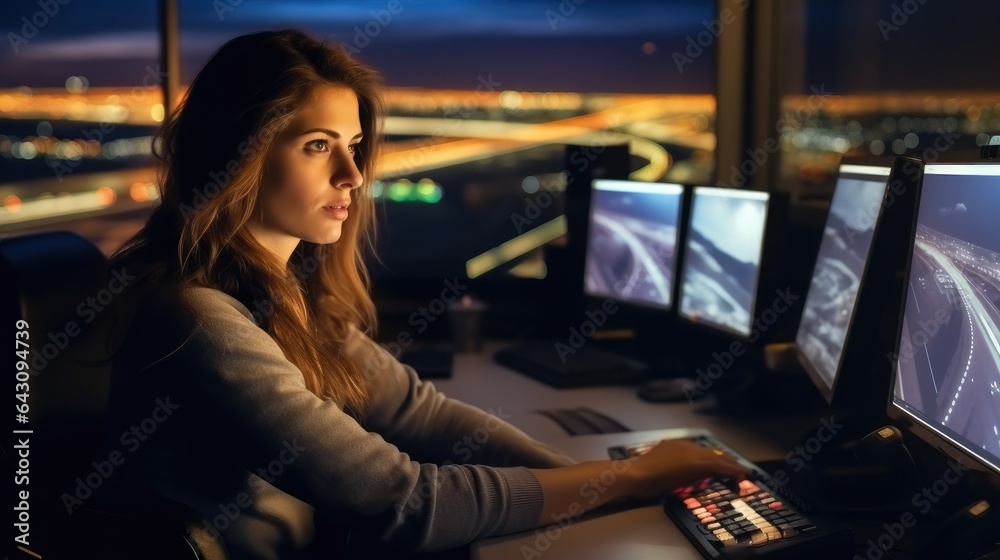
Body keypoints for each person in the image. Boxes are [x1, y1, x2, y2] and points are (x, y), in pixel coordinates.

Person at [99, 29, 748, 560]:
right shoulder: (197, 317)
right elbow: (405, 504)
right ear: (237, 156)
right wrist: (624, 478)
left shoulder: (283, 294)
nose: (352, 175)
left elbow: (424, 416)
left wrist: (592, 486)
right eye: (317, 146)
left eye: (353, 147)